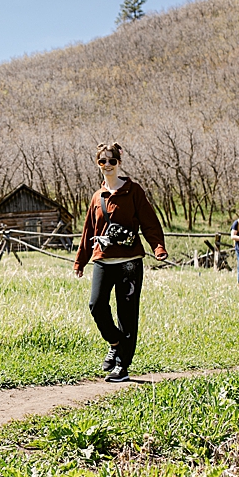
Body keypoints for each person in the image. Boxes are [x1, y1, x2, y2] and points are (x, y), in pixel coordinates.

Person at [72, 142, 168, 379]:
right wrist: (80, 261)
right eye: (102, 161)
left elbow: (149, 221)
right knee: (96, 305)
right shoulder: (98, 197)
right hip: (103, 260)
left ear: (119, 163)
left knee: (127, 313)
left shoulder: (134, 191)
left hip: (129, 262)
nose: (107, 165)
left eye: (111, 161)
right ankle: (116, 344)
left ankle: (122, 366)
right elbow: (88, 231)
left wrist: (158, 247)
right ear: (98, 164)